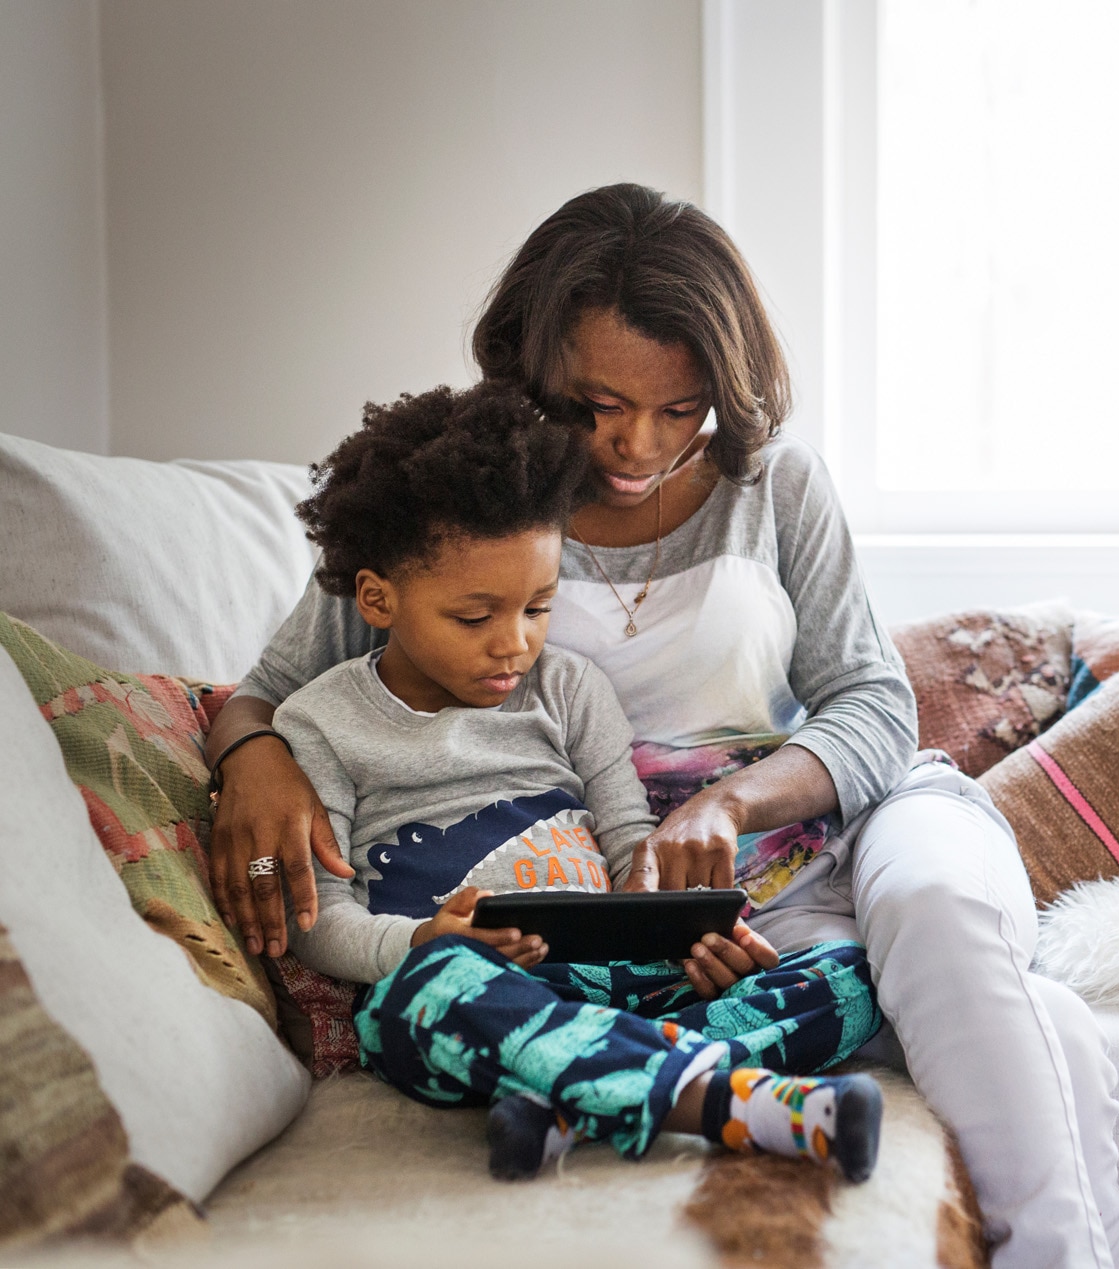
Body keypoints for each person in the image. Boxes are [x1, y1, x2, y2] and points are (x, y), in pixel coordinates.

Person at [206, 184, 1119, 1268]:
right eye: (595, 404)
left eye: (679, 408)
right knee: (1026, 1024)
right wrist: (252, 755)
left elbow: (874, 706)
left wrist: (735, 803)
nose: (635, 445)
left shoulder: (774, 485)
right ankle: (644, 1074)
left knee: (931, 908)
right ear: (533, 369)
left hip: (828, 823)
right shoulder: (464, 493)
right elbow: (261, 693)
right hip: (634, 909)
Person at [268, 381, 883, 1183]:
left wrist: (683, 931)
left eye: (539, 607)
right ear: (378, 599)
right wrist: (419, 941)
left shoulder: (568, 688)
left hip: (611, 977)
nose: (514, 644)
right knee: (415, 1002)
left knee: (853, 975)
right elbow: (319, 919)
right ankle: (735, 1102)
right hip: (478, 983)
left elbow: (631, 844)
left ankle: (575, 1096)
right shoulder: (322, 723)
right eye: (474, 616)